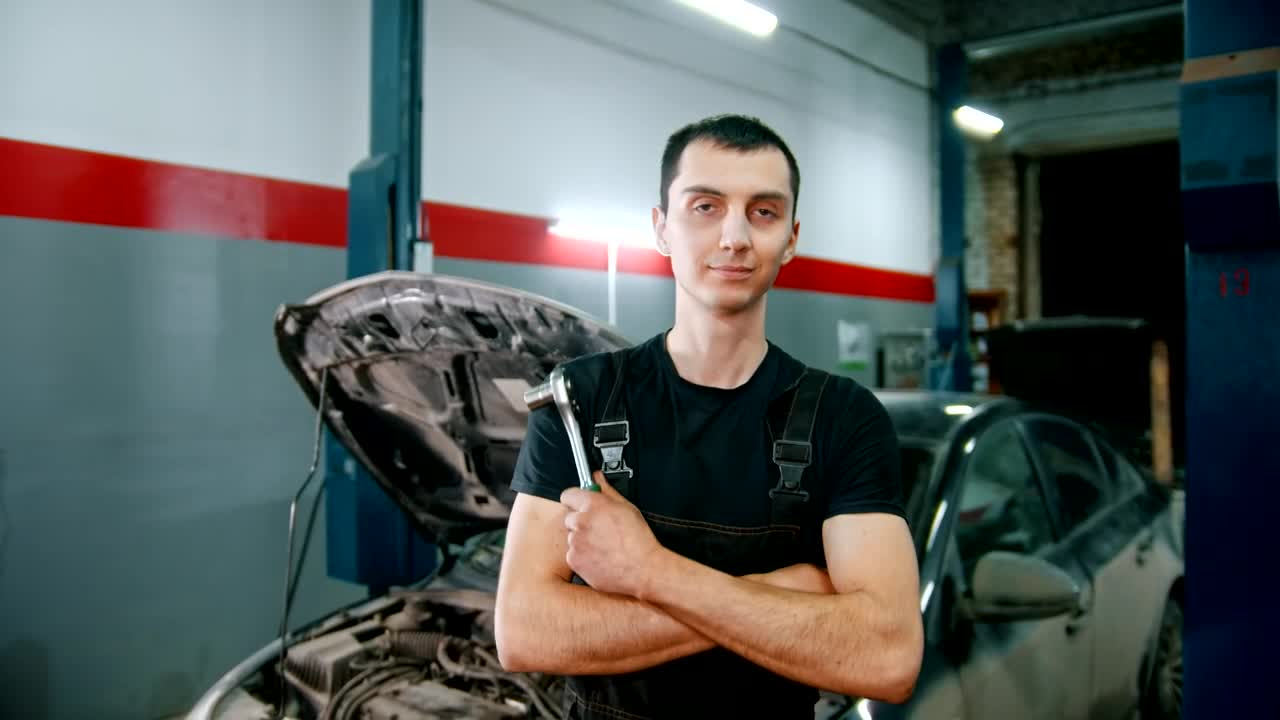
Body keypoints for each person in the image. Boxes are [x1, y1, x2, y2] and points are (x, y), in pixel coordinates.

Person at [494, 114, 923, 719]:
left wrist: (649, 571)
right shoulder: (582, 402)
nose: (735, 236)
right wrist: (788, 592)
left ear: (792, 238)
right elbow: (525, 632)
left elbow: (887, 658)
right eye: (705, 206)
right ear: (662, 228)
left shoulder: (844, 419)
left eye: (764, 212)